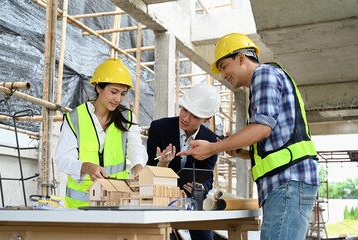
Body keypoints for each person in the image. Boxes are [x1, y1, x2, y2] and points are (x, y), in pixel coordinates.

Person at [177, 33, 320, 240]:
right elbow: (270, 142)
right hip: (287, 182)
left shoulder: (263, 74)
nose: (223, 74)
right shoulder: (263, 82)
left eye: (224, 66)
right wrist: (240, 151)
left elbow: (262, 129)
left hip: (288, 182)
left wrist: (213, 148)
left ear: (242, 58)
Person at [54, 58, 147, 209]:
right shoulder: (75, 118)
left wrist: (138, 168)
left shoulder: (127, 118)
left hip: (117, 202)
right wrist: (87, 167)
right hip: (79, 208)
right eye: (113, 92)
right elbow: (63, 159)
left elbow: (136, 147)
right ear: (98, 88)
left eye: (123, 94)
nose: (118, 99)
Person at [146, 82, 221, 240]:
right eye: (185, 109)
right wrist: (163, 165)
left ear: (206, 119)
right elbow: (148, 170)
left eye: (194, 116)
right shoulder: (159, 128)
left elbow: (208, 177)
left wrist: (201, 187)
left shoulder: (211, 141)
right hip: (162, 197)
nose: (186, 118)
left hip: (191, 199)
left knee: (204, 234)